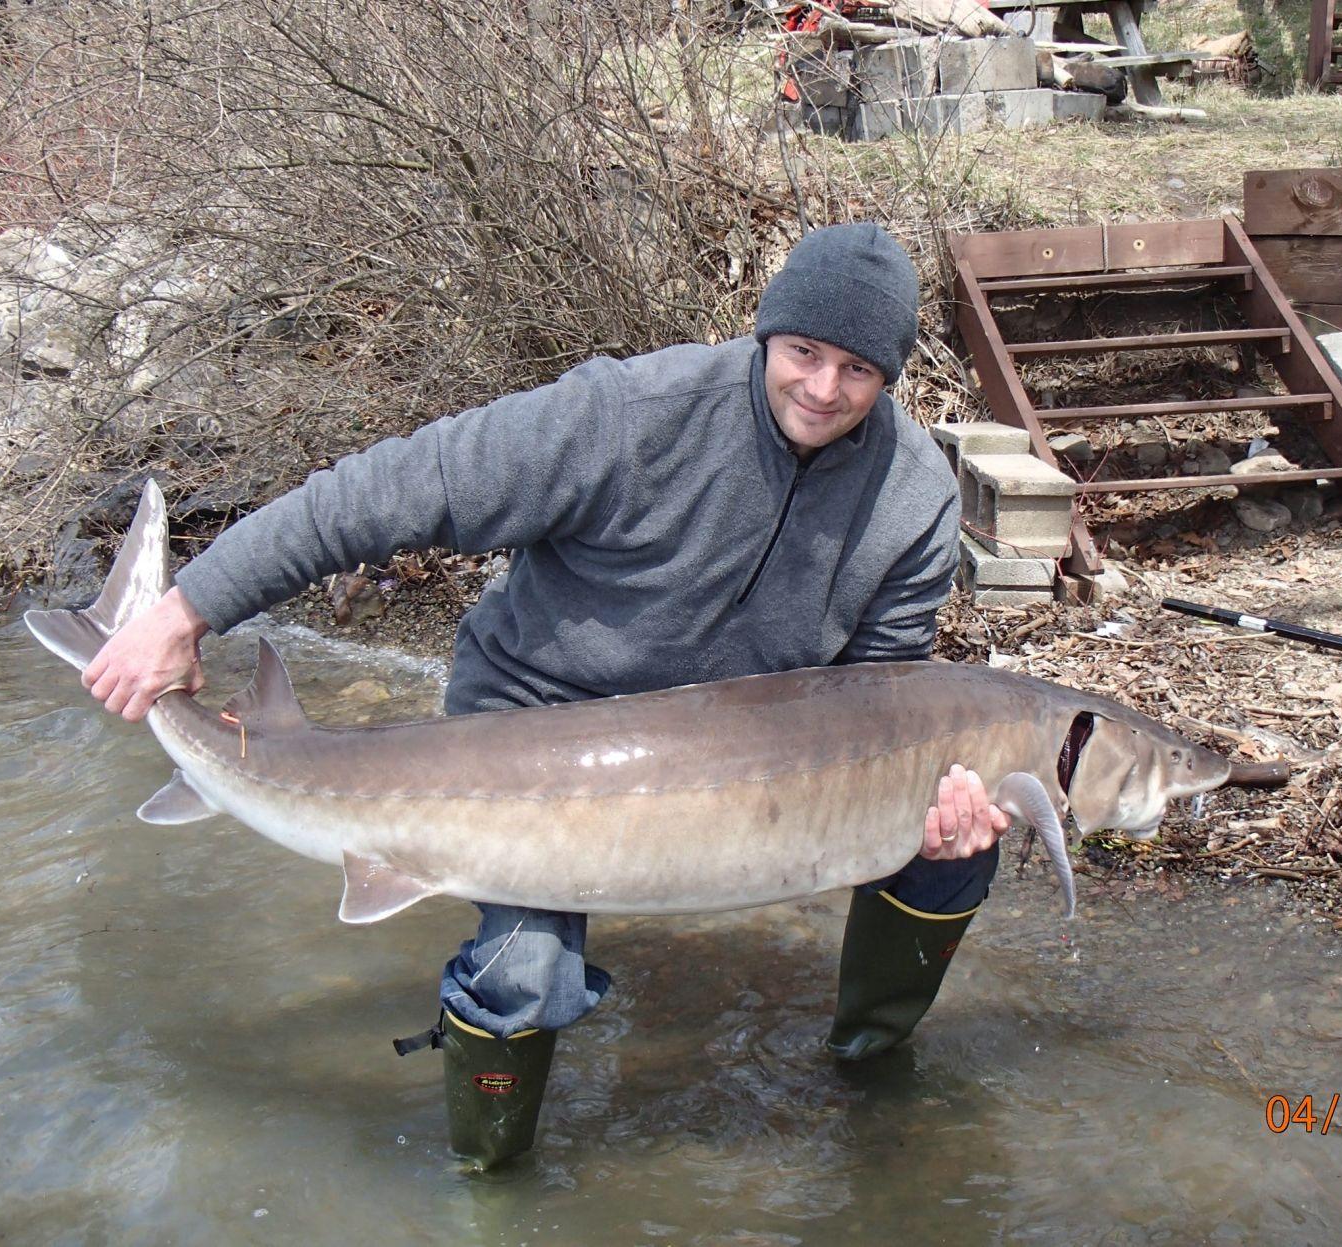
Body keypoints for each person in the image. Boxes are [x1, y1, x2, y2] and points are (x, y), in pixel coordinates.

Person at [80, 222, 1012, 1168]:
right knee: (524, 972)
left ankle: (866, 1074)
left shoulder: (915, 495)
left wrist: (920, 809)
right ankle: (487, 1178)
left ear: (891, 377)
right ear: (766, 332)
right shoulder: (629, 414)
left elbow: (880, 695)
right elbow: (386, 491)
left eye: (857, 370)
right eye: (804, 352)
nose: (822, 389)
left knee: (960, 843)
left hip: (743, 757)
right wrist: (188, 610)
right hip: (532, 717)